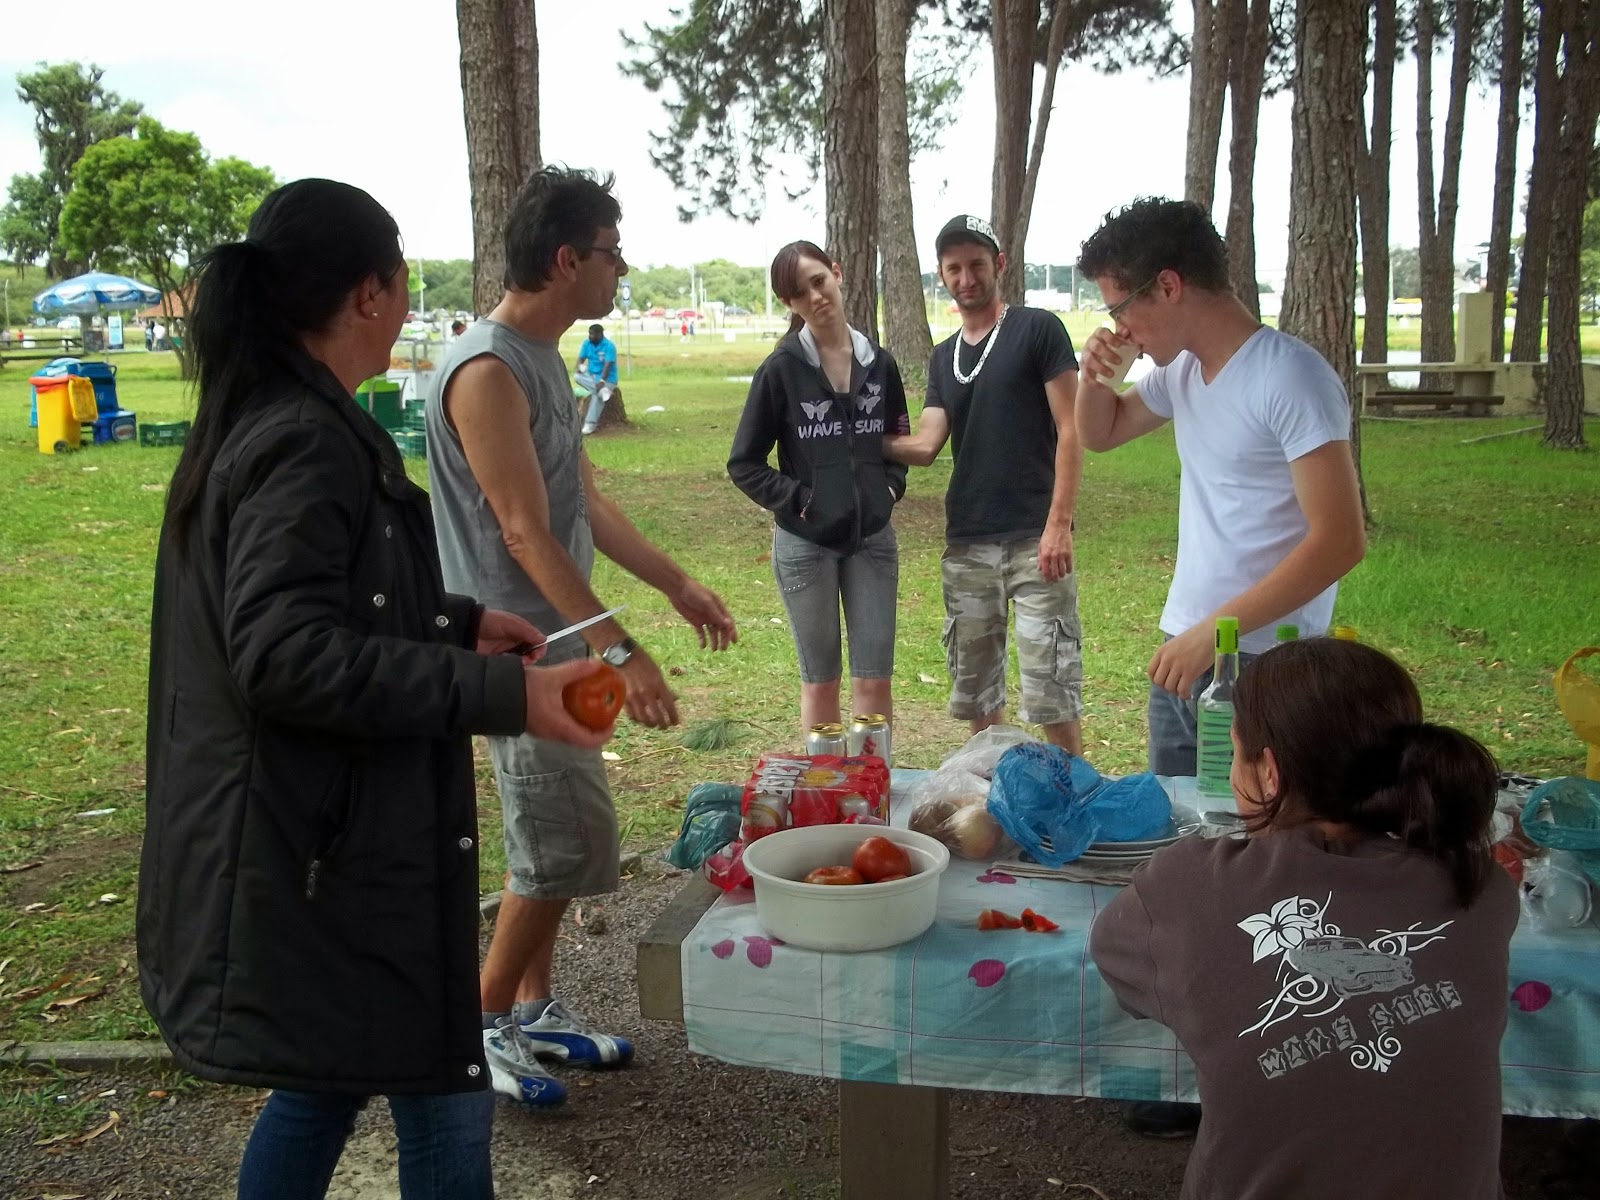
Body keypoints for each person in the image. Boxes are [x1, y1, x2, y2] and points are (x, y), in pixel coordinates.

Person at [138, 178, 618, 1200]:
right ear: (369, 294)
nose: (406, 302)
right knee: (427, 1085)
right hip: (326, 851)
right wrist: (510, 696)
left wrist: (449, 620)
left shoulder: (281, 419)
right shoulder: (301, 441)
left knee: (340, 1082)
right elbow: (281, 653)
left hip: (326, 845)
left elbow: (328, 599)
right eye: (400, 279)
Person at [425, 165, 738, 1109]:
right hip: (520, 654)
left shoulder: (542, 358)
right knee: (558, 843)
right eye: (612, 252)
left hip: (565, 642)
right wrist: (619, 650)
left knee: (555, 834)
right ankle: (480, 1027)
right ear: (567, 260)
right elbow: (523, 532)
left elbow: (585, 504)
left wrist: (676, 584)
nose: (622, 268)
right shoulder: (486, 371)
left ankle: (531, 1007)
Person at [1090, 637, 1517, 1199]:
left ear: (1269, 773)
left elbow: (1118, 962)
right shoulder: (1481, 883)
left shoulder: (1185, 886)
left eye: (1235, 753)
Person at [1075, 197, 1366, 780]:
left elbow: (1341, 541)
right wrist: (1097, 377)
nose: (1119, 329)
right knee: (1178, 822)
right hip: (1183, 645)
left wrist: (1214, 635)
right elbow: (1100, 434)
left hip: (1265, 659)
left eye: (1120, 310)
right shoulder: (1181, 371)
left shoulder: (1290, 377)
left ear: (1168, 286)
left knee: (1254, 822)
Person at [885, 214, 1085, 754]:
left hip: (1035, 538)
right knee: (977, 690)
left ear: (999, 264)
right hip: (968, 540)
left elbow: (1072, 429)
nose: (966, 278)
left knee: (1051, 687)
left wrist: (1059, 525)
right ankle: (996, 785)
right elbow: (927, 443)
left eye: (976, 265)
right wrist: (860, 440)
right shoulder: (943, 355)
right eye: (954, 269)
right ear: (942, 275)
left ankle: (1070, 791)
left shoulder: (1038, 329)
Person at [727, 241, 909, 735]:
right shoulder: (782, 370)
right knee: (821, 683)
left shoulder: (879, 364)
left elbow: (895, 442)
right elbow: (744, 463)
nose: (815, 297)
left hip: (872, 541)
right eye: (799, 293)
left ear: (837, 273)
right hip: (805, 545)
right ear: (788, 303)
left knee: (874, 682)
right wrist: (801, 501)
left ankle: (872, 780)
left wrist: (888, 491)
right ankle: (828, 782)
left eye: (818, 281)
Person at [575, 322, 619, 434]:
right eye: (589, 334)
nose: (590, 336)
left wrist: (602, 381)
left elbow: (608, 365)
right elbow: (581, 358)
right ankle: (603, 391)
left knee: (596, 396)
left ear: (600, 334)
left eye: (593, 334)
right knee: (577, 376)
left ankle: (590, 425)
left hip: (608, 379)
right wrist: (579, 366)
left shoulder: (609, 346)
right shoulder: (586, 343)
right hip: (591, 377)